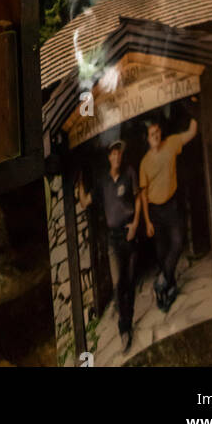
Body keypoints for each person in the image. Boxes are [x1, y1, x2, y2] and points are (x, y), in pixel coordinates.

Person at [78, 139, 141, 352]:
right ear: (108, 157)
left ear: (121, 156)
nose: (116, 157)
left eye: (118, 153)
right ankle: (124, 329)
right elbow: (85, 201)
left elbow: (139, 198)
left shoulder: (130, 172)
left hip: (130, 234)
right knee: (118, 283)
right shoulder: (103, 182)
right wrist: (79, 181)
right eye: (112, 154)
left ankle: (128, 320)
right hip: (113, 239)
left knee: (131, 282)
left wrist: (135, 224)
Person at [139, 115, 198, 312]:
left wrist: (195, 112)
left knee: (178, 242)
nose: (155, 136)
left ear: (160, 133)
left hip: (171, 206)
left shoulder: (171, 143)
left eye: (157, 132)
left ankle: (162, 281)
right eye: (151, 134)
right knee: (162, 253)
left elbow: (191, 132)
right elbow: (143, 195)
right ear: (147, 139)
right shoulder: (144, 164)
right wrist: (147, 221)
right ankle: (168, 290)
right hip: (155, 211)